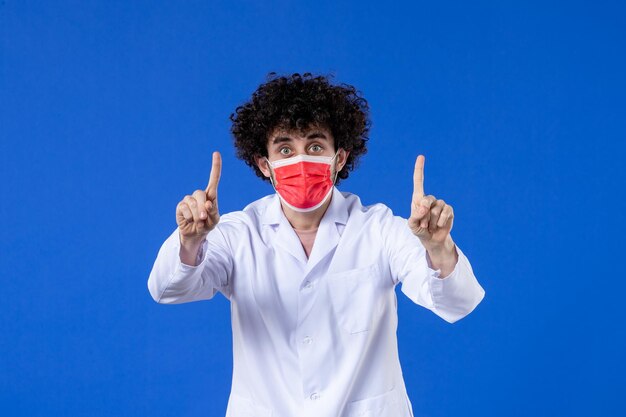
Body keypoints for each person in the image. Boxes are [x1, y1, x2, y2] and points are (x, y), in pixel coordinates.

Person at [147, 73, 485, 417]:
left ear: (339, 158)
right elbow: (167, 289)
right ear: (265, 165)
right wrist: (190, 241)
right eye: (284, 149)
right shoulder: (238, 233)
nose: (300, 160)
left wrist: (437, 247)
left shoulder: (379, 229)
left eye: (315, 146)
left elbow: (457, 302)